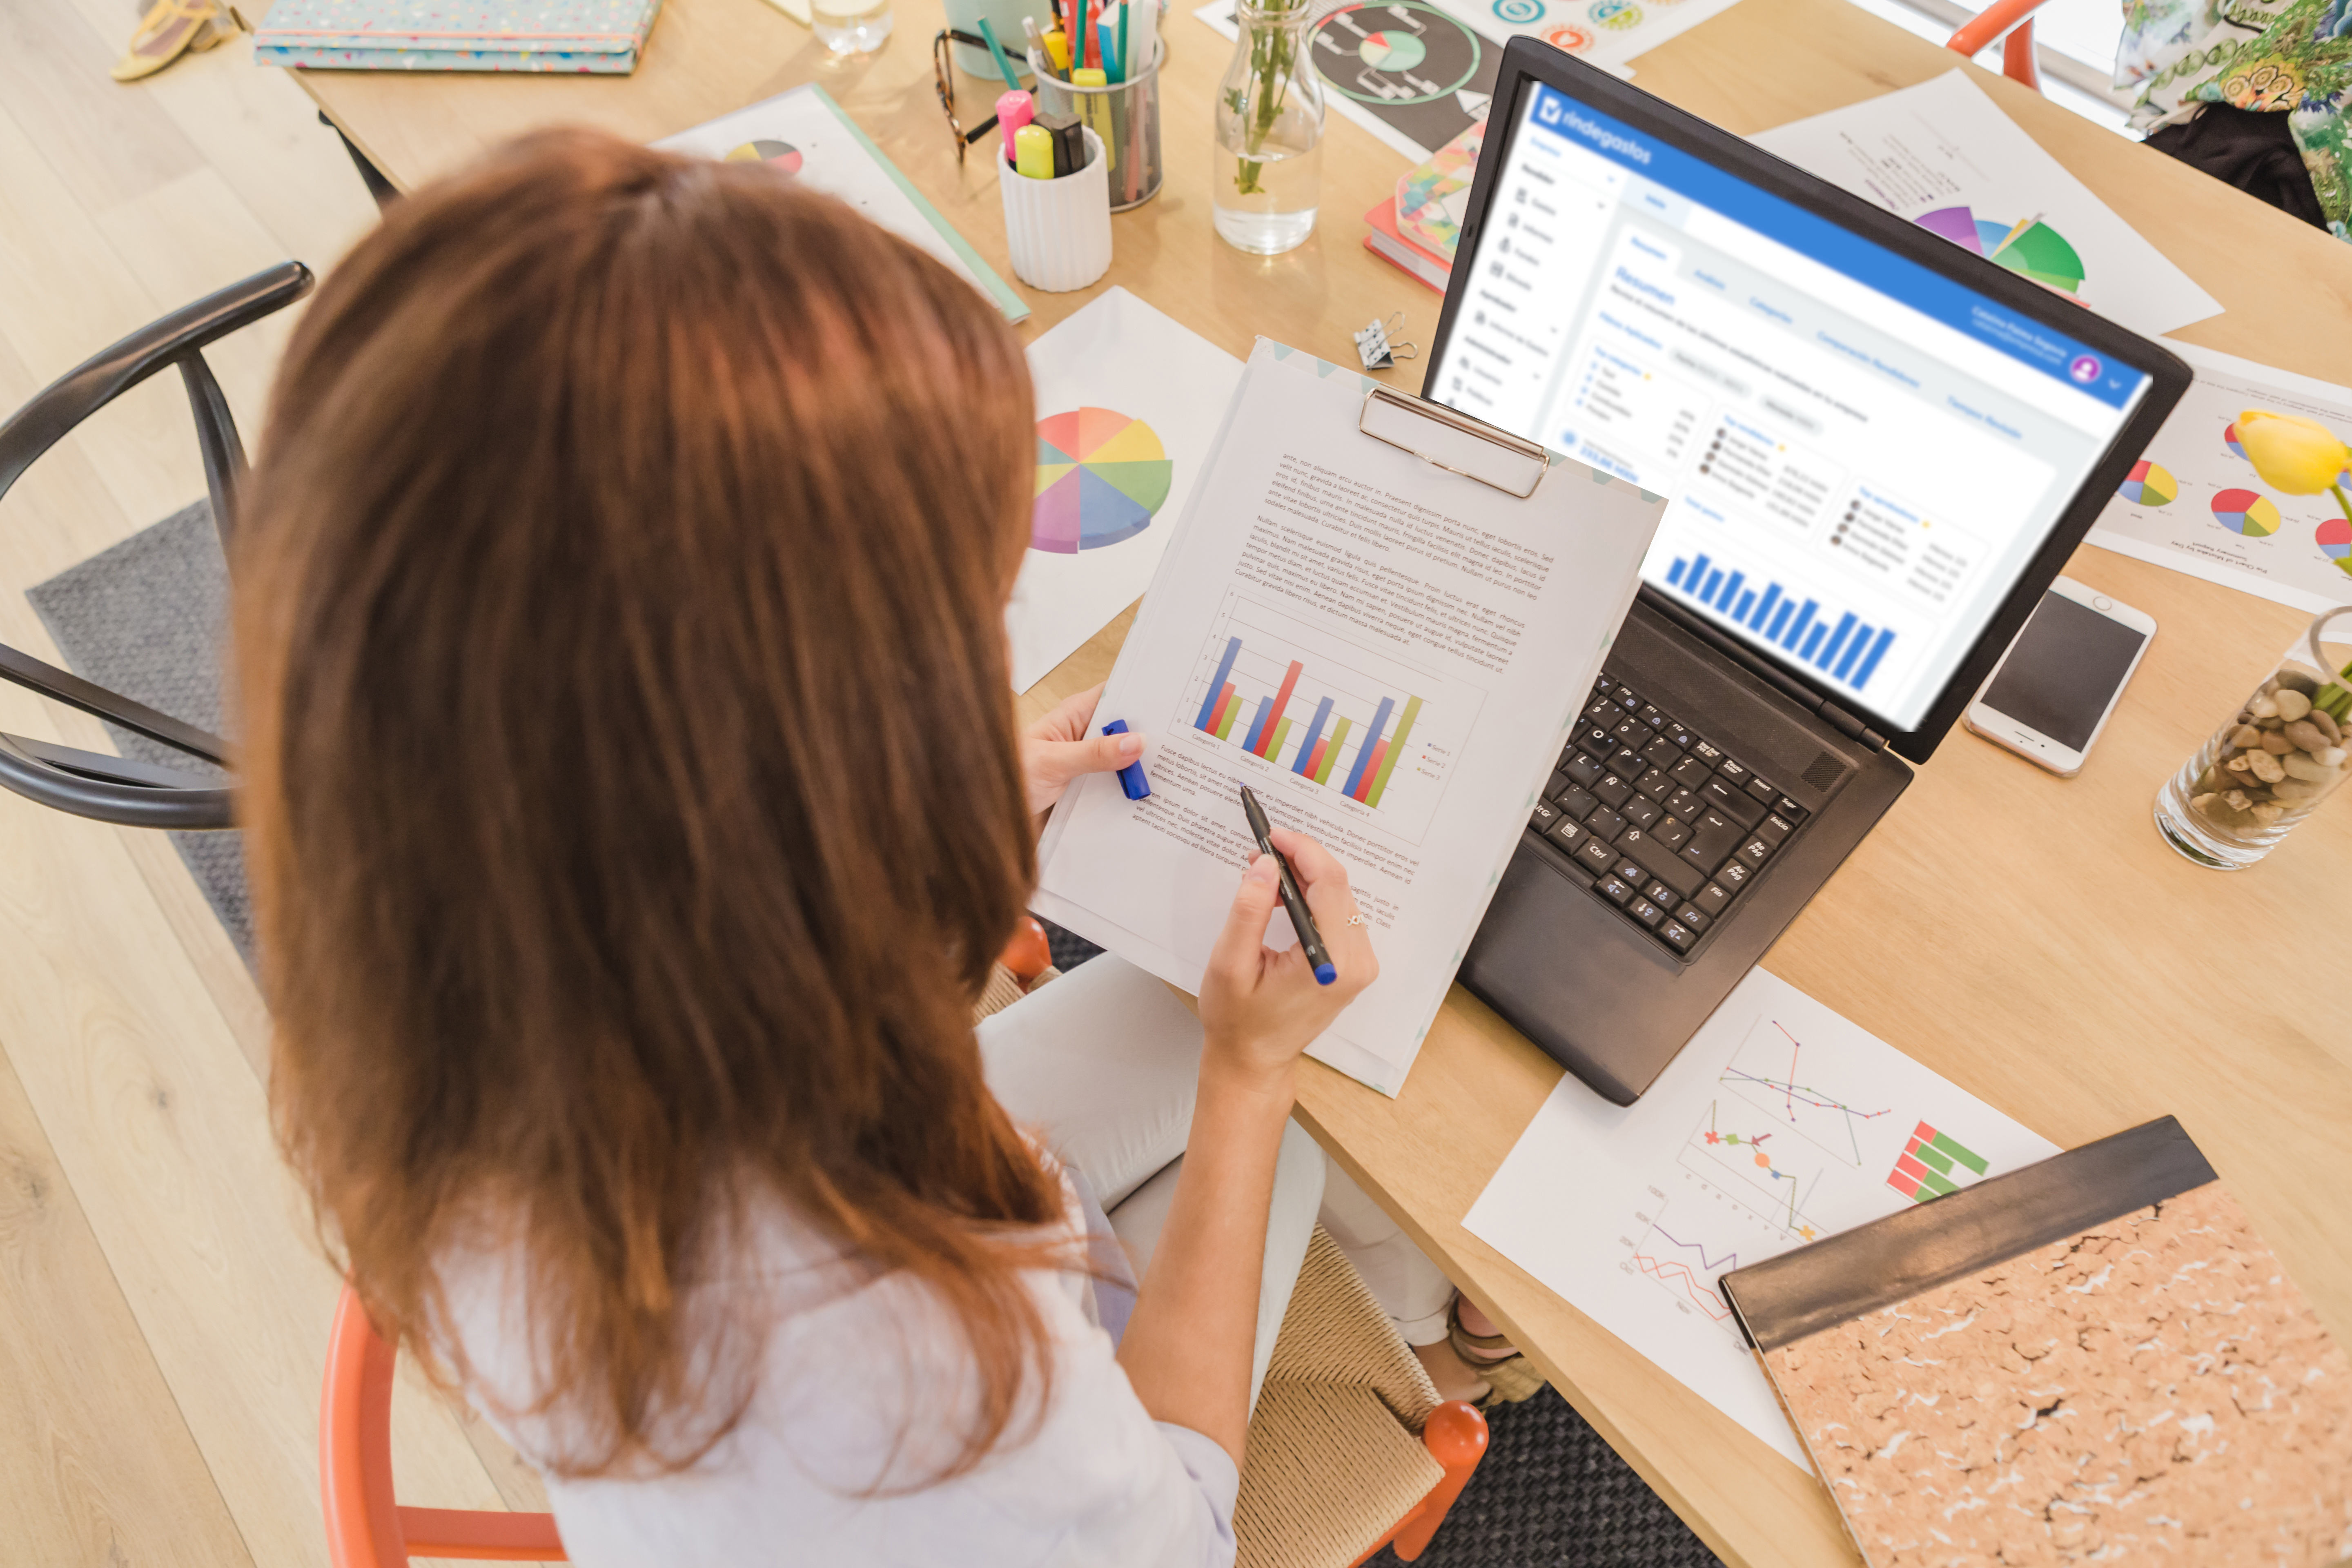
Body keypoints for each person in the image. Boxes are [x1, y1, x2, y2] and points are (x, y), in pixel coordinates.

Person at [234, 128, 1517, 1568]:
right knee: (1274, 1136)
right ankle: (1442, 1339)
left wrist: (917, 835)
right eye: (964, 643)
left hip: (723, 1257)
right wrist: (1247, 1077)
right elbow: (1185, 1545)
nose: (985, 682)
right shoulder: (909, 1368)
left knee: (1255, 1110)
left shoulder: (451, 951)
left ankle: (1415, 1307)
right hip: (963, 1422)